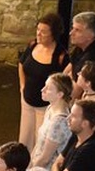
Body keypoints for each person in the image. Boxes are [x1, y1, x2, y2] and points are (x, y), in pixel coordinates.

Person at [18, 13, 69, 152]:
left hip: (45, 106)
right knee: (24, 139)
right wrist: (22, 86)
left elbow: (63, 82)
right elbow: (21, 64)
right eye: (38, 29)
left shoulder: (60, 56)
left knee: (40, 141)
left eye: (44, 32)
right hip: (27, 100)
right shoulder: (33, 45)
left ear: (53, 34)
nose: (39, 34)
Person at [30, 73, 73, 170]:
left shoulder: (59, 122)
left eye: (48, 88)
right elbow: (39, 145)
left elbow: (45, 158)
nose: (42, 90)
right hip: (37, 164)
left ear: (60, 94)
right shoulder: (50, 108)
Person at [64, 11, 95, 100]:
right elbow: (67, 73)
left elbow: (76, 92)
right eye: (73, 28)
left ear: (90, 35)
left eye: (77, 30)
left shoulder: (93, 58)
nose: (71, 33)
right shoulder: (80, 47)